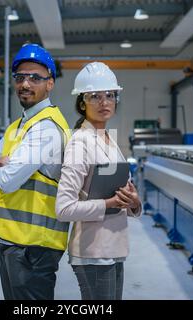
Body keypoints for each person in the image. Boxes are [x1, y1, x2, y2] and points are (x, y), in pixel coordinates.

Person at [0, 44, 71, 300]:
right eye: (20, 77)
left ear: (50, 84)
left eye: (35, 78)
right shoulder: (17, 127)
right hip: (12, 242)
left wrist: (4, 166)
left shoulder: (46, 128)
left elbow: (6, 182)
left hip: (35, 247)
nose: (25, 84)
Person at [55, 62, 142, 300]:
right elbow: (64, 208)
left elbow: (121, 194)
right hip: (93, 252)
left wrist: (133, 202)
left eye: (110, 95)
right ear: (82, 102)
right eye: (95, 96)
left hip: (113, 248)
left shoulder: (108, 139)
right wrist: (109, 203)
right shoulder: (80, 142)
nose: (104, 102)